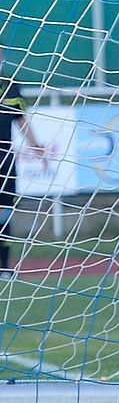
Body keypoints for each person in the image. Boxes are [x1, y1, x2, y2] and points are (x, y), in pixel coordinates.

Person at [0, 49, 45, 279]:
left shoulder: (10, 85)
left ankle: (4, 266)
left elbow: (21, 120)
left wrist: (36, 147)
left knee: (5, 213)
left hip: (4, 158)